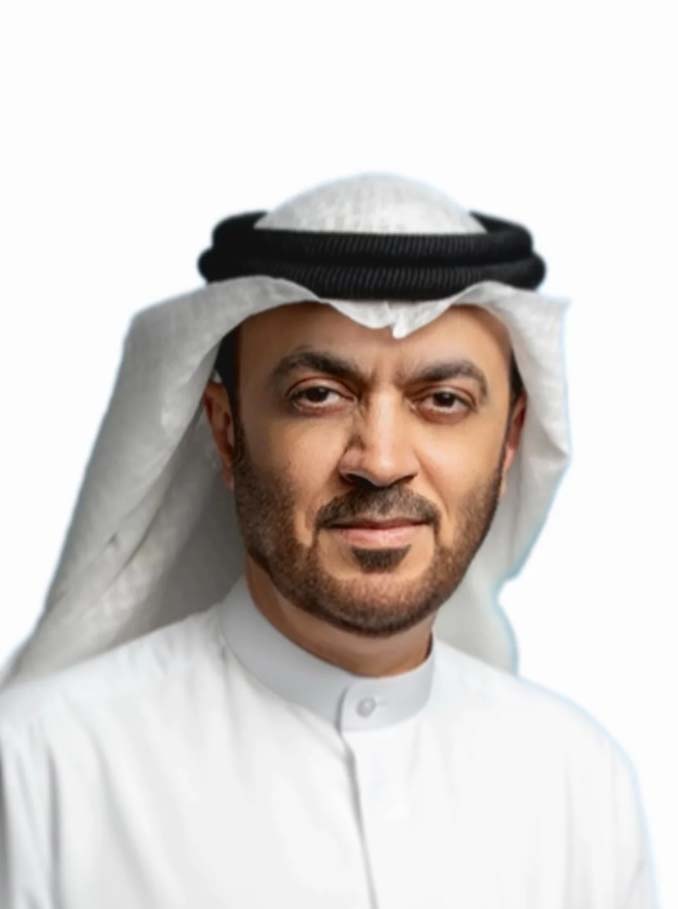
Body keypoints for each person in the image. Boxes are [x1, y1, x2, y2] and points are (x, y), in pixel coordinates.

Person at [0, 174, 658, 907]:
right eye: (318, 395)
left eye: (443, 401)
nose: (381, 460)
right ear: (226, 430)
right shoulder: (39, 774)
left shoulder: (582, 791)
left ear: (509, 441)